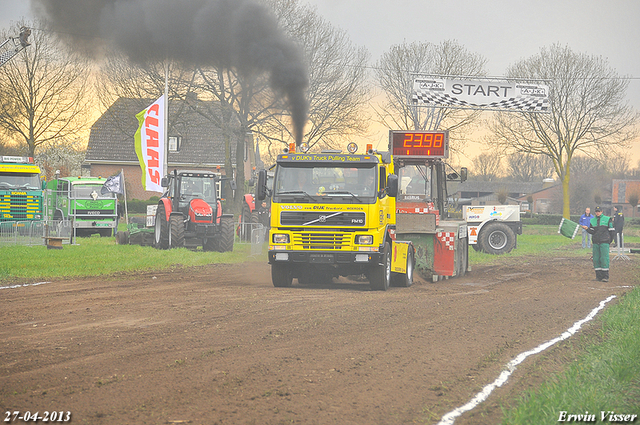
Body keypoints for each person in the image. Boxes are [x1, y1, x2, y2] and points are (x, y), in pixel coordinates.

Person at [582, 206, 614, 282]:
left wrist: (609, 241)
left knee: (604, 259)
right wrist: (587, 229)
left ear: (602, 211)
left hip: (604, 242)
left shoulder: (607, 219)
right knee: (596, 259)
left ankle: (605, 277)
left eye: (599, 211)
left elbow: (612, 231)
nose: (597, 212)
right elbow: (592, 231)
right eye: (596, 211)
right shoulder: (592, 220)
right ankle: (598, 277)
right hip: (596, 242)